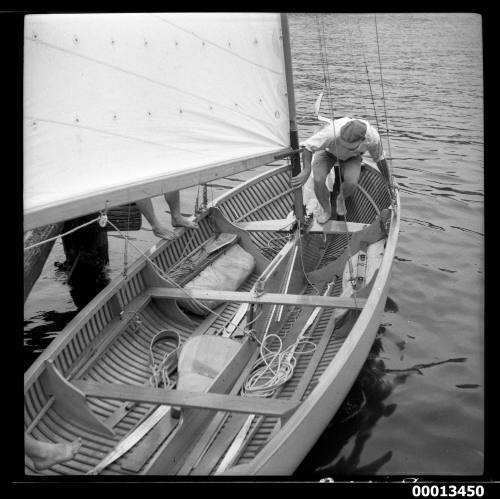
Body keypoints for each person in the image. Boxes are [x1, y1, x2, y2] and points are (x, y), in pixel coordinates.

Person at [292, 117, 390, 223]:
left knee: (352, 182)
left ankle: (341, 198)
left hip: (352, 157)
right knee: (318, 179)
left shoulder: (373, 137)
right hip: (328, 152)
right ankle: (326, 209)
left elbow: (380, 158)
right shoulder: (330, 133)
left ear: (363, 139)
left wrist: (389, 182)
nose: (345, 147)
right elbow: (307, 146)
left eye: (350, 147)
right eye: (342, 143)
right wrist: (306, 170)